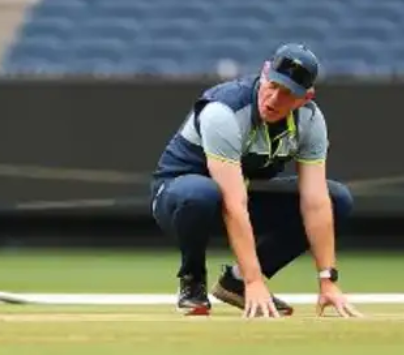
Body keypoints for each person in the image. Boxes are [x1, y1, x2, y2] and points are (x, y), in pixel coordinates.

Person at [149, 43, 362, 319]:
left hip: (241, 194)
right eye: (272, 85)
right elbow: (233, 203)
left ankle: (235, 282)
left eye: (288, 94)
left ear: (306, 98)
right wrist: (255, 282)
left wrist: (328, 281)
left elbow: (316, 201)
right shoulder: (223, 112)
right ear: (263, 73)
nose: (273, 99)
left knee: (337, 200)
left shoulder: (310, 122)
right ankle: (193, 281)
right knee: (201, 193)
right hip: (178, 197)